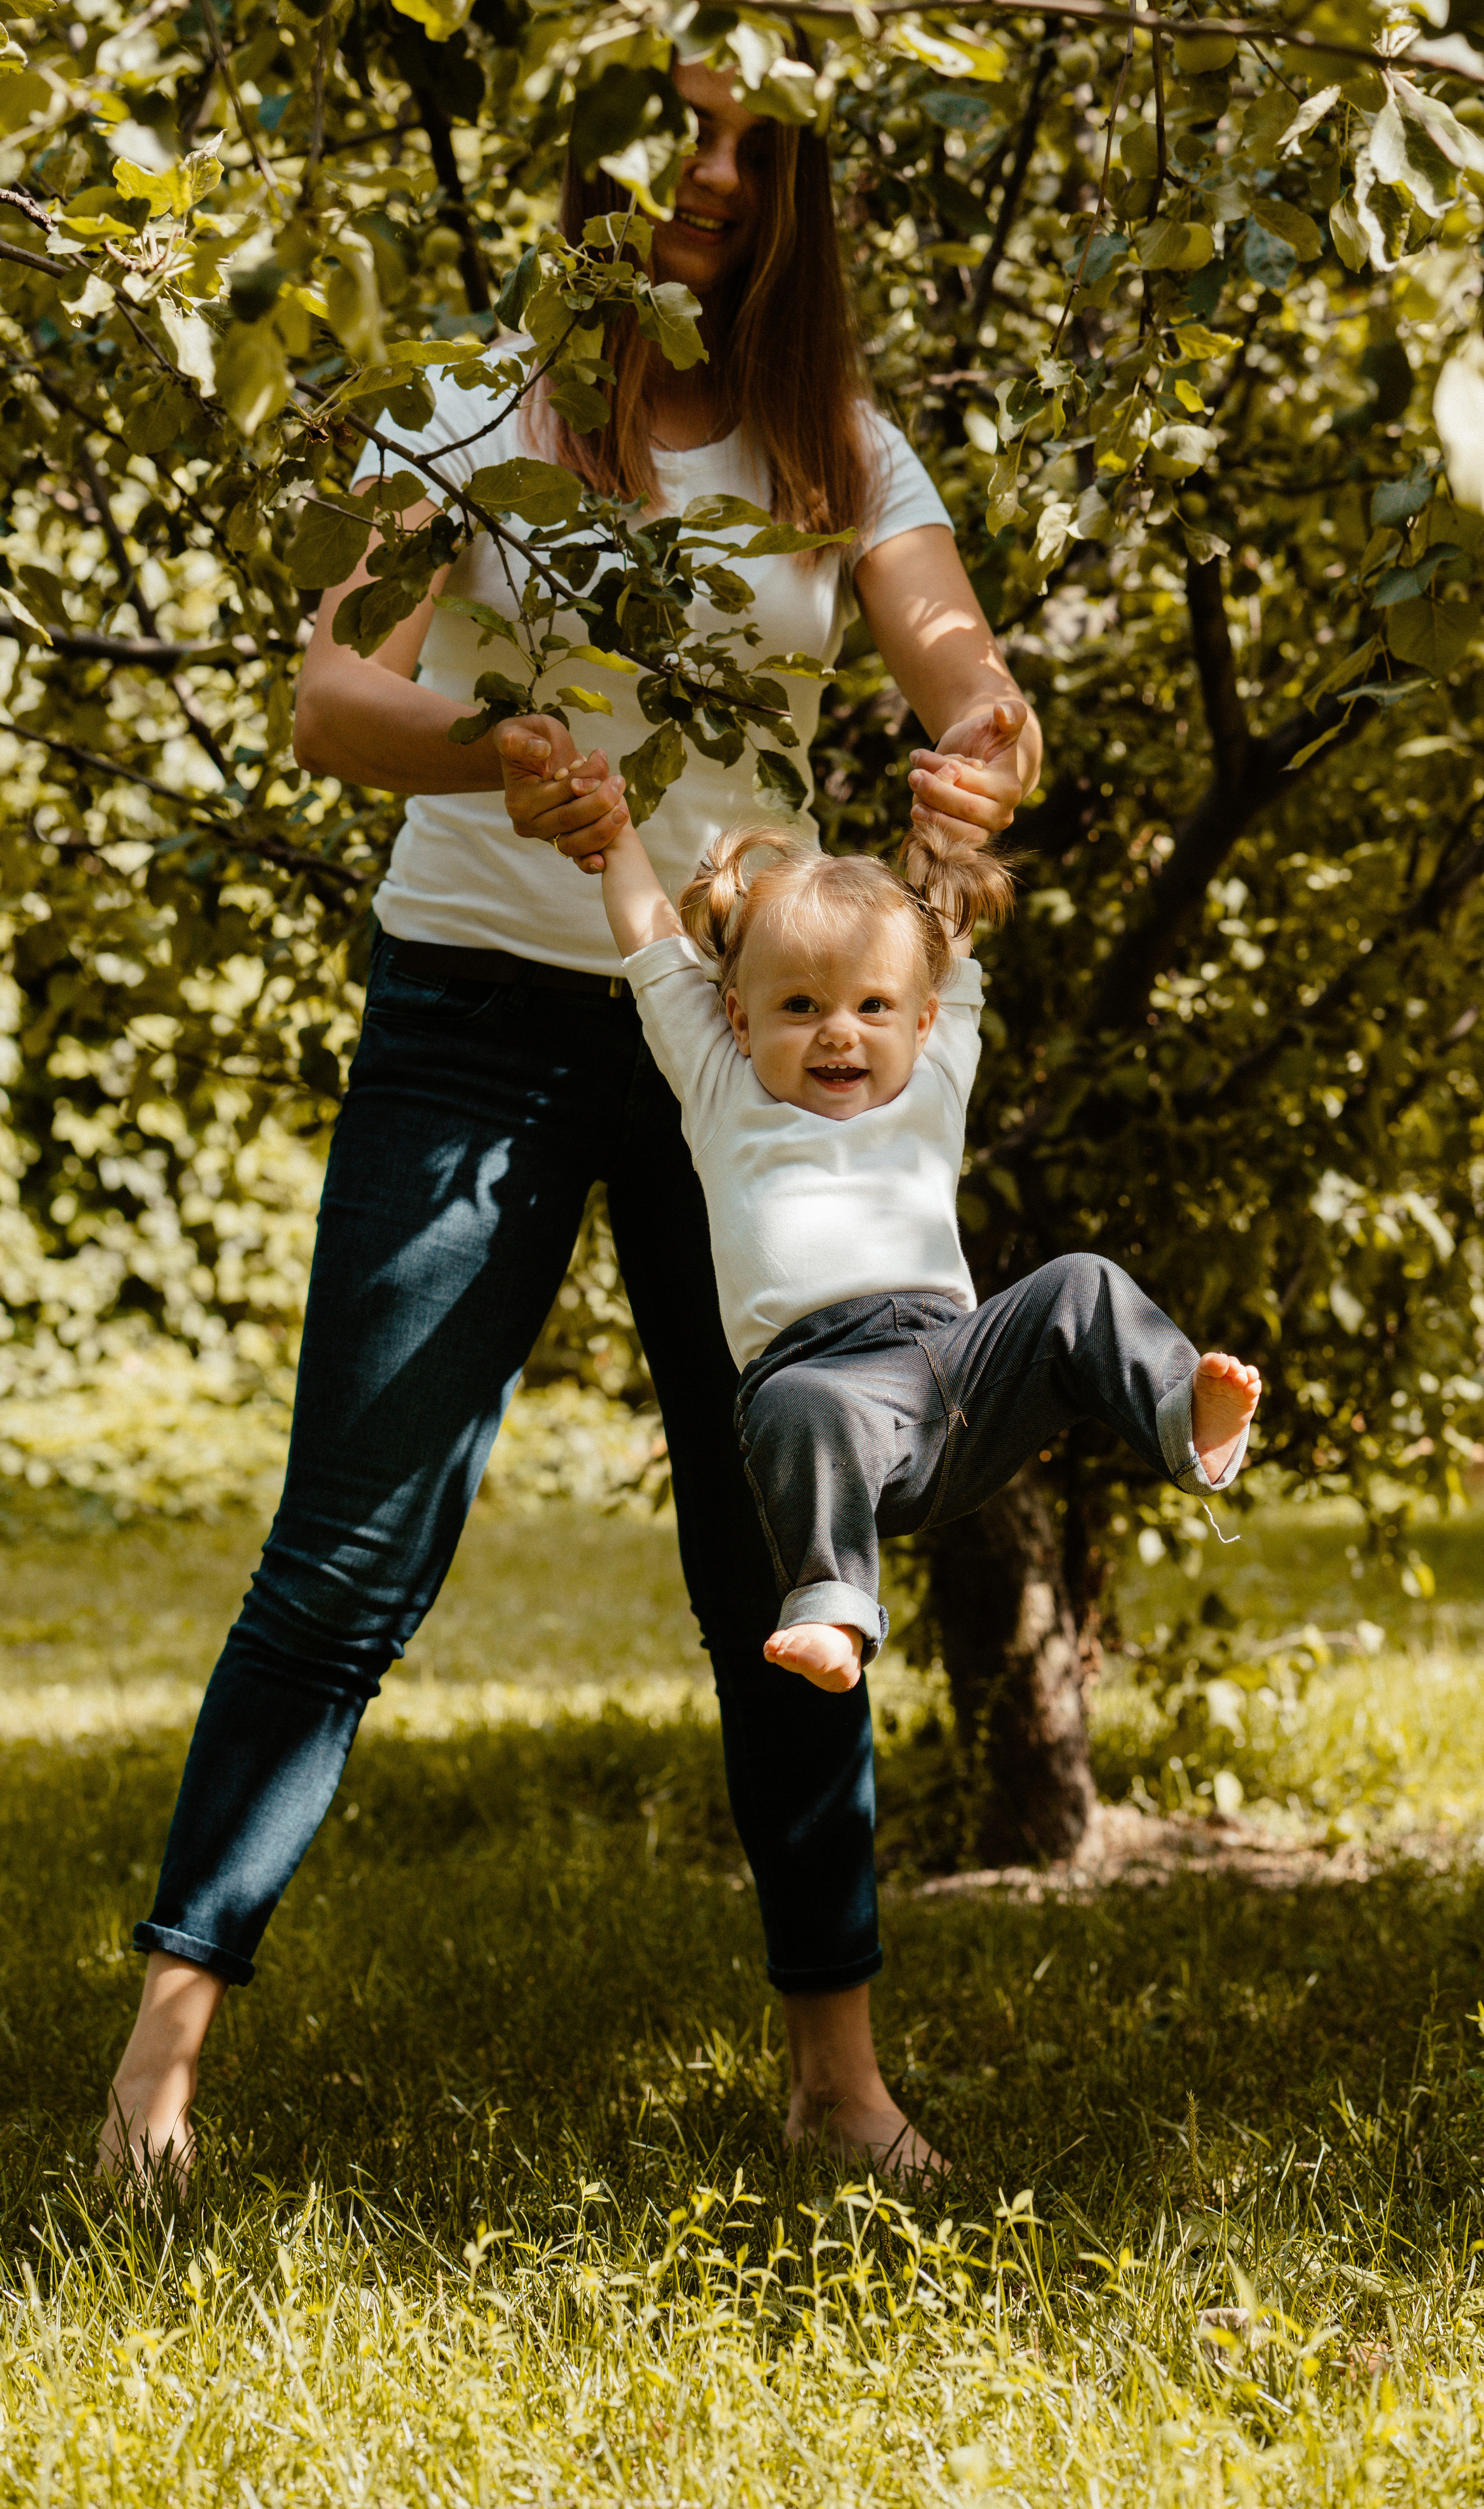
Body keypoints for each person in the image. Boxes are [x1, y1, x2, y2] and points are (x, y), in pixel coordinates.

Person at [99, 59, 1044, 2191]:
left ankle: (840, 2078)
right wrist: (491, 742)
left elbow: (965, 671)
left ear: (790, 188)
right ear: (588, 168)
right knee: (354, 1540)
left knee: (784, 1555)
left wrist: (987, 740)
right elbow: (332, 692)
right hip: (476, 1029)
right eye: (671, 134)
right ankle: (155, 2068)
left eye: (751, 146)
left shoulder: (839, 445)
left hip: (748, 1036)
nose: (710, 180)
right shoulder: (458, 406)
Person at [570, 805, 1263, 1722]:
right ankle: (834, 1604)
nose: (838, 1033)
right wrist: (617, 840)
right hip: (834, 1391)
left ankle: (1186, 1423)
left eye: (871, 1006)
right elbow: (657, 959)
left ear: (926, 1018)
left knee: (1084, 1284)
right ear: (737, 1018)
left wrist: (953, 818)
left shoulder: (932, 1071)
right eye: (800, 1007)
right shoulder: (721, 1089)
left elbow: (947, 919)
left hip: (962, 1369)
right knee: (790, 1405)